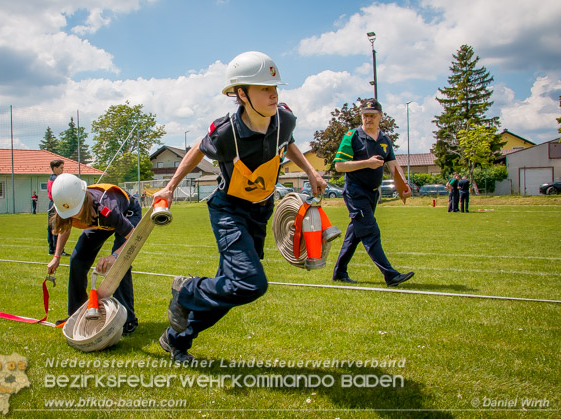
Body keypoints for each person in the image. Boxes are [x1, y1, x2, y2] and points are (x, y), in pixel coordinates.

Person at [153, 51, 327, 362]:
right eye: (264, 89)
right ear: (241, 94)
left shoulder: (284, 119)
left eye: (275, 88)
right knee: (250, 284)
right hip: (229, 212)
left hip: (260, 213)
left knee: (229, 290)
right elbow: (196, 149)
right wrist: (170, 186)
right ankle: (186, 289)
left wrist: (311, 171)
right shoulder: (225, 133)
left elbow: (287, 144)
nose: (273, 94)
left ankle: (175, 340)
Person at [331, 98, 414, 287]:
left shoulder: (385, 140)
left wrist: (403, 186)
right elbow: (339, 166)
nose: (368, 119)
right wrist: (367, 163)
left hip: (373, 194)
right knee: (370, 231)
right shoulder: (352, 136)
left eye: (372, 116)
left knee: (355, 235)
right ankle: (390, 275)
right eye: (365, 116)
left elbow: (393, 166)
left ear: (380, 117)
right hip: (355, 193)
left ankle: (339, 272)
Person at [46, 173, 142, 336]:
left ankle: (128, 320)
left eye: (76, 212)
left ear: (84, 199)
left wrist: (115, 257)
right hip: (98, 222)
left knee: (120, 266)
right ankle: (76, 314)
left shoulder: (107, 208)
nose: (73, 216)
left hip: (126, 214)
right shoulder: (66, 206)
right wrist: (56, 257)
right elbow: (65, 227)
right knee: (77, 260)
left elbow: (133, 237)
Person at [47, 160, 69, 256]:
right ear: (55, 168)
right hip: (56, 204)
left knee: (51, 226)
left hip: (52, 204)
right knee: (58, 226)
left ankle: (51, 248)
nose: (63, 170)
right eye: (61, 168)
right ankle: (58, 250)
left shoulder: (51, 178)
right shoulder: (56, 179)